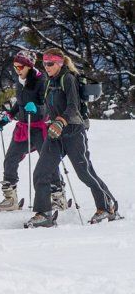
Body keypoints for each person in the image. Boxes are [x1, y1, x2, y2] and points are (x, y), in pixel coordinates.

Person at [24, 48, 121, 227]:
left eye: (50, 63)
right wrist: (36, 109)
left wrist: (60, 122)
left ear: (60, 63)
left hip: (74, 131)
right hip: (55, 133)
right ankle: (44, 213)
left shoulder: (67, 78)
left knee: (85, 173)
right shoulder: (49, 82)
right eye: (44, 63)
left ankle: (107, 206)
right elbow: (50, 106)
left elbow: (73, 107)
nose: (46, 67)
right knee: (41, 173)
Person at [0, 50, 66, 212]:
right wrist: (9, 116)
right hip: (23, 127)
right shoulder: (20, 81)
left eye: (20, 66)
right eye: (15, 66)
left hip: (41, 127)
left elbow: (49, 105)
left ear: (29, 66)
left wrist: (38, 108)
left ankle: (58, 196)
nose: (17, 70)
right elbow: (20, 102)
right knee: (10, 159)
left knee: (48, 162)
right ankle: (10, 199)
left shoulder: (42, 80)